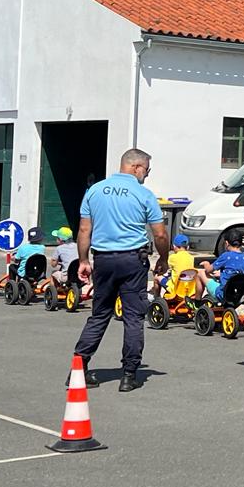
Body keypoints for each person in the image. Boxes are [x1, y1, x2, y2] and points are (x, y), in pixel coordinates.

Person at [72, 148, 169, 393]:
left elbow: (84, 230)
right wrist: (164, 259)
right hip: (132, 261)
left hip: (103, 259)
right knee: (133, 317)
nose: (146, 175)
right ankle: (129, 375)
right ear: (136, 167)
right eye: (147, 170)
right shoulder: (144, 194)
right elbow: (159, 233)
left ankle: (79, 368)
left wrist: (83, 260)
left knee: (100, 314)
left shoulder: (94, 191)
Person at [196, 228, 244, 302]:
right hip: (238, 295)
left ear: (227, 243)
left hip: (223, 294)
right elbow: (235, 272)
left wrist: (206, 264)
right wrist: (222, 274)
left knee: (201, 273)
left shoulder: (226, 256)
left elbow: (208, 270)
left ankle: (197, 302)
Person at [150, 234, 195, 300]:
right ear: (187, 247)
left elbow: (162, 267)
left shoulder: (173, 257)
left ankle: (156, 298)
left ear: (174, 246)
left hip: (176, 288)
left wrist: (154, 268)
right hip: (189, 289)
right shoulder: (191, 258)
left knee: (157, 277)